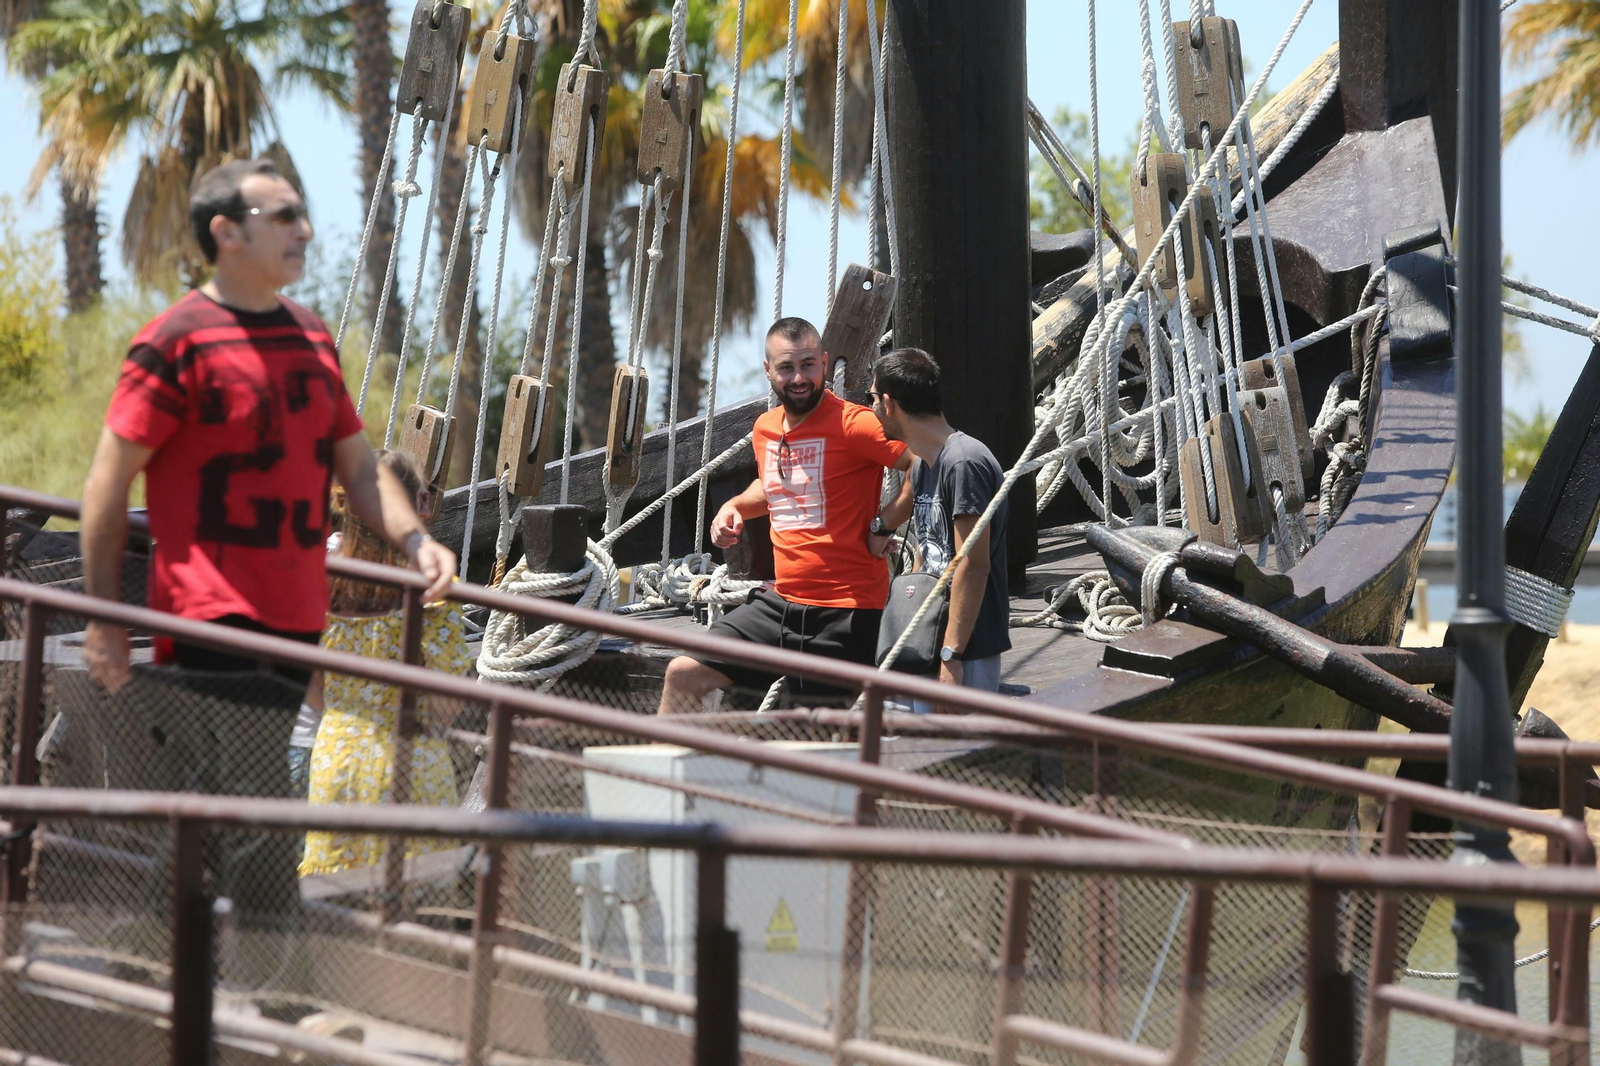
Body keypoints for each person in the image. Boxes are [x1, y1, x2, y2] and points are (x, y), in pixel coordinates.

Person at [79, 157, 456, 693]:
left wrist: (417, 542)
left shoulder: (312, 337)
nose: (304, 230)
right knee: (226, 750)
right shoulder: (174, 342)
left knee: (273, 753)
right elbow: (107, 484)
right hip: (208, 621)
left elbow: (361, 472)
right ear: (227, 233)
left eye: (301, 214)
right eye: (283, 217)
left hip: (300, 621)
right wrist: (103, 616)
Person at [658, 317, 911, 712]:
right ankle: (665, 758)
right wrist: (734, 506)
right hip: (780, 605)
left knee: (814, 733)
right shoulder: (765, 428)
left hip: (846, 610)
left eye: (808, 365)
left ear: (824, 363)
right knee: (683, 673)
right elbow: (775, 484)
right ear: (768, 370)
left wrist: (885, 523)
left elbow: (925, 463)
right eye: (786, 367)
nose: (798, 378)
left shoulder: (854, 424)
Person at [300, 450, 469, 879]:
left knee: (336, 903)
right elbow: (446, 705)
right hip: (412, 760)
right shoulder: (434, 590)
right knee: (417, 902)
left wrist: (349, 713)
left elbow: (312, 688)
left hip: (337, 761)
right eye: (424, 498)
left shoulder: (320, 579)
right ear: (412, 506)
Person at [869, 348, 1010, 707]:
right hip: (927, 641)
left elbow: (972, 564)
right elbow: (928, 550)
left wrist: (951, 656)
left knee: (955, 741)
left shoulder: (964, 463)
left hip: (965, 651)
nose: (871, 408)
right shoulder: (922, 465)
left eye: (872, 398)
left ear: (889, 404)